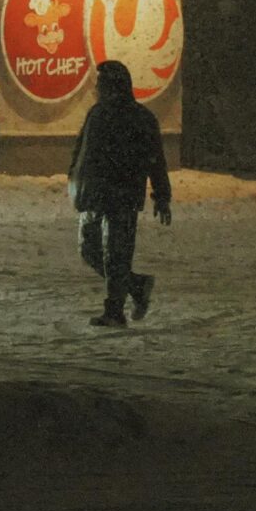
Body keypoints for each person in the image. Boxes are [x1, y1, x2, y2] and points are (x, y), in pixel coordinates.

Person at [67, 60, 171, 327]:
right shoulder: (97, 114)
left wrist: (161, 195)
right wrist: (74, 179)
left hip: (122, 195)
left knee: (116, 254)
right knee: (89, 250)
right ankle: (136, 286)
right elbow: (82, 150)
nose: (97, 88)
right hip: (94, 194)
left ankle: (114, 311)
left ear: (114, 85)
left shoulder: (140, 118)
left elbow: (155, 159)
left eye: (101, 83)